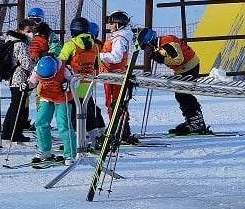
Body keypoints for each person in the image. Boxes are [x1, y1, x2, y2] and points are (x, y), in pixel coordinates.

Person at [140, 28, 212, 135]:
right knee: (180, 95)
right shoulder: (159, 46)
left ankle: (197, 122)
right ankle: (191, 120)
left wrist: (161, 59)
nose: (145, 51)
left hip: (190, 67)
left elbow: (179, 59)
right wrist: (158, 56)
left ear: (150, 42)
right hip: (182, 69)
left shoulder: (167, 43)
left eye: (145, 47)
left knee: (184, 95)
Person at [60, 16, 105, 148]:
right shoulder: (95, 46)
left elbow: (60, 64)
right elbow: (97, 64)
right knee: (88, 111)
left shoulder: (70, 45)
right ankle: (95, 137)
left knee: (74, 113)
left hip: (73, 84)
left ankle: (78, 141)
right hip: (88, 83)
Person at [28, 54, 79, 165]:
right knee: (41, 122)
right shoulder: (37, 68)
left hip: (62, 98)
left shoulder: (64, 69)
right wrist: (26, 85)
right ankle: (45, 150)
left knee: (63, 126)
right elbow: (32, 82)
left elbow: (76, 81)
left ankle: (70, 154)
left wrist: (69, 85)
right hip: (46, 97)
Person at [98, 9, 138, 146]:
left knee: (114, 103)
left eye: (112, 23)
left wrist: (99, 56)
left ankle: (120, 130)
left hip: (115, 76)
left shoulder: (120, 39)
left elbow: (116, 57)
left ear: (119, 24)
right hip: (110, 76)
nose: (110, 26)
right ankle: (119, 129)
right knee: (113, 103)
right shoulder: (118, 37)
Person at [0, 18, 36, 143]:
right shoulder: (21, 44)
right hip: (19, 78)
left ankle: (6, 132)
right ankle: (15, 133)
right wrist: (36, 67)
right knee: (18, 107)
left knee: (14, 105)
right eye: (29, 30)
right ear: (21, 30)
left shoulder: (10, 41)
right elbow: (26, 63)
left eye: (33, 31)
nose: (31, 33)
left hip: (12, 78)